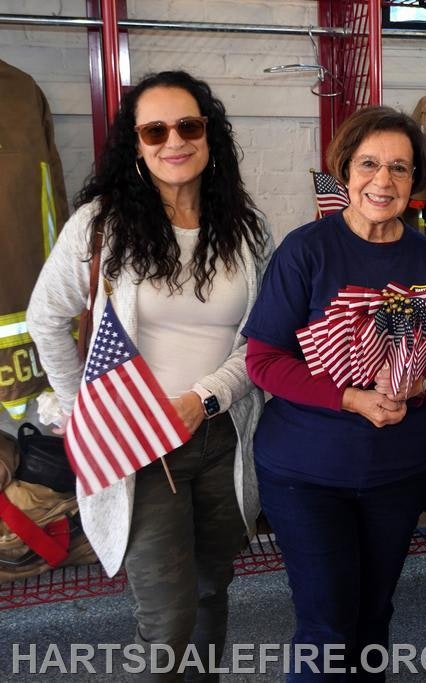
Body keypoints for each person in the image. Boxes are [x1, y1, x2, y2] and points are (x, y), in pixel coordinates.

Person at [27, 70, 270, 677]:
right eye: (154, 130)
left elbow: (259, 345)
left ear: (208, 134)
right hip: (139, 450)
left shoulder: (244, 229)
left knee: (214, 591)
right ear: (135, 145)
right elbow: (45, 317)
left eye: (187, 125)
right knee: (168, 619)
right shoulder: (100, 226)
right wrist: (81, 409)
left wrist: (204, 400)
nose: (173, 141)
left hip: (222, 438)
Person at [242, 105, 426, 681]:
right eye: (368, 164)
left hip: (397, 472)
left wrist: (416, 384)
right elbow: (263, 360)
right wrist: (350, 399)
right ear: (344, 169)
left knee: (374, 618)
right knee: (326, 626)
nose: (382, 181)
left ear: (416, 181)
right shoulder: (306, 250)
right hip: (306, 473)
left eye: (399, 168)